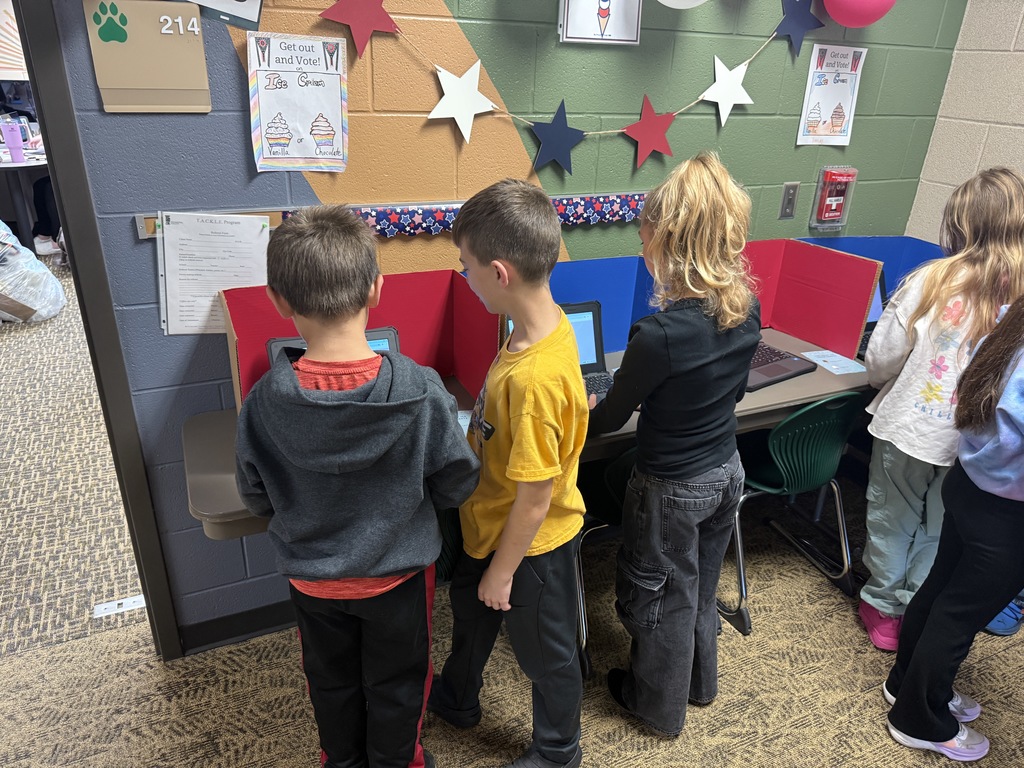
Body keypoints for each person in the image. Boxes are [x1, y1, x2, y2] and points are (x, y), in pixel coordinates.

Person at [234, 205, 480, 768]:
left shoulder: (263, 404)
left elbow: (255, 496)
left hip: (315, 583)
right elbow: (457, 480)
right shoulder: (419, 391)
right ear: (375, 290)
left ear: (278, 300)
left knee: (330, 683)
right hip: (397, 577)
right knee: (399, 684)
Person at [587, 152, 761, 737]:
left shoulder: (657, 335)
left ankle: (655, 708)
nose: (642, 246)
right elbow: (734, 391)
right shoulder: (746, 309)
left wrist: (585, 405)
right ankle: (699, 684)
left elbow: (610, 419)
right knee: (699, 586)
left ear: (670, 241)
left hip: (671, 488)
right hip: (726, 470)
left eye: (645, 236)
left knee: (660, 599)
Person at [427, 179, 588, 768]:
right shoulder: (535, 329)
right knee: (471, 618)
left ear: (499, 273)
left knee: (547, 655)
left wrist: (503, 572)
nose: (464, 278)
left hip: (530, 548)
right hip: (489, 523)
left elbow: (536, 500)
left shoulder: (533, 378)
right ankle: (459, 696)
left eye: (466, 267)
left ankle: (557, 750)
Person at [858, 167, 1024, 652]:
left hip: (909, 429)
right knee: (940, 528)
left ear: (961, 224)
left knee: (892, 517)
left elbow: (882, 358)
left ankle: (883, 609)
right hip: (974, 445)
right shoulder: (1018, 295)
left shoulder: (932, 279)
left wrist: (883, 379)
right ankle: (914, 606)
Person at [883, 295, 1024, 762]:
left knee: (940, 588)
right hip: (1007, 510)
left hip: (971, 483)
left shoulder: (1011, 318)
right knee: (959, 613)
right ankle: (918, 719)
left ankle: (905, 683)